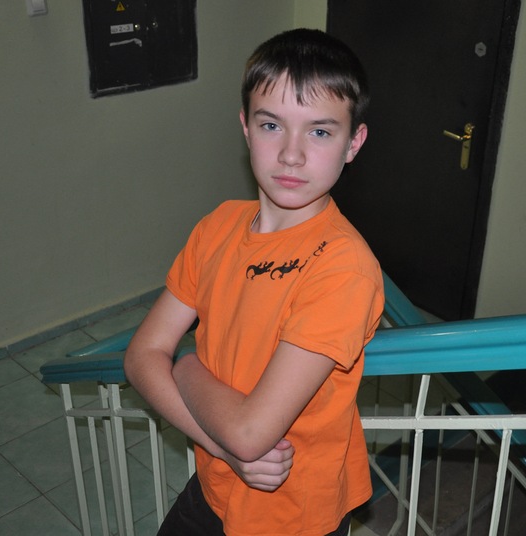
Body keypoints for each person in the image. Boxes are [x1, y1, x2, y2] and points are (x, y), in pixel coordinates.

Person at [124, 28, 384, 536]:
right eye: (271, 125)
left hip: (292, 515)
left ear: (353, 143)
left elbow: (250, 432)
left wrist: (185, 365)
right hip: (216, 480)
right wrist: (222, 449)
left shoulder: (344, 268)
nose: (291, 154)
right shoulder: (218, 225)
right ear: (245, 127)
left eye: (320, 132)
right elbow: (140, 356)